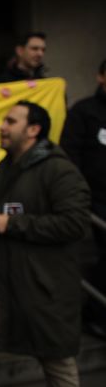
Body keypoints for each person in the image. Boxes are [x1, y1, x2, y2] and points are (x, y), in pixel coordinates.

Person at [0, 101, 90, 387]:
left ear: (33, 130)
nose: (2, 125)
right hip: (13, 275)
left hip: (47, 283)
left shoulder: (59, 169)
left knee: (58, 361)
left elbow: (75, 223)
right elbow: (6, 207)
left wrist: (12, 224)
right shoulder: (6, 166)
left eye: (11, 120)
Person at [60, 58, 106, 337]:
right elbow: (70, 155)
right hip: (95, 202)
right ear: (101, 76)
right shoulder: (84, 111)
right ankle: (96, 315)